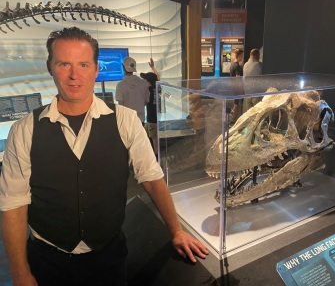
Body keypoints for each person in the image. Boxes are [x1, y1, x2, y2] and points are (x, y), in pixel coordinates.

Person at [0, 26, 208, 286]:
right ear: (50, 66)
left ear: (96, 69)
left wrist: (176, 231)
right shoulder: (25, 130)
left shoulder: (126, 121)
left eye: (84, 65)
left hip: (108, 260)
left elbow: (153, 179)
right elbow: (13, 205)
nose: (75, 75)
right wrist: (20, 273)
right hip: (47, 262)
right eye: (65, 64)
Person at [116, 56, 150, 125]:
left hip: (127, 120)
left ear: (123, 68)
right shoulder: (143, 83)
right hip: (140, 119)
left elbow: (121, 107)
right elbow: (146, 101)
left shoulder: (120, 85)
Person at [141, 58, 160, 158]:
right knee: (153, 139)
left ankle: (155, 159)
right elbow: (157, 77)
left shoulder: (148, 91)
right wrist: (153, 67)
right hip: (155, 119)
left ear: (149, 82)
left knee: (154, 141)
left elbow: (144, 103)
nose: (144, 81)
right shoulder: (158, 88)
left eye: (145, 80)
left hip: (151, 119)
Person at [229, 48, 244, 123]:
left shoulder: (232, 64)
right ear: (239, 55)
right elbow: (238, 78)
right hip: (237, 87)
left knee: (236, 103)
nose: (242, 57)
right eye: (241, 56)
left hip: (233, 86)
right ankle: (232, 119)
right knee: (236, 104)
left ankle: (233, 119)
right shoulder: (237, 66)